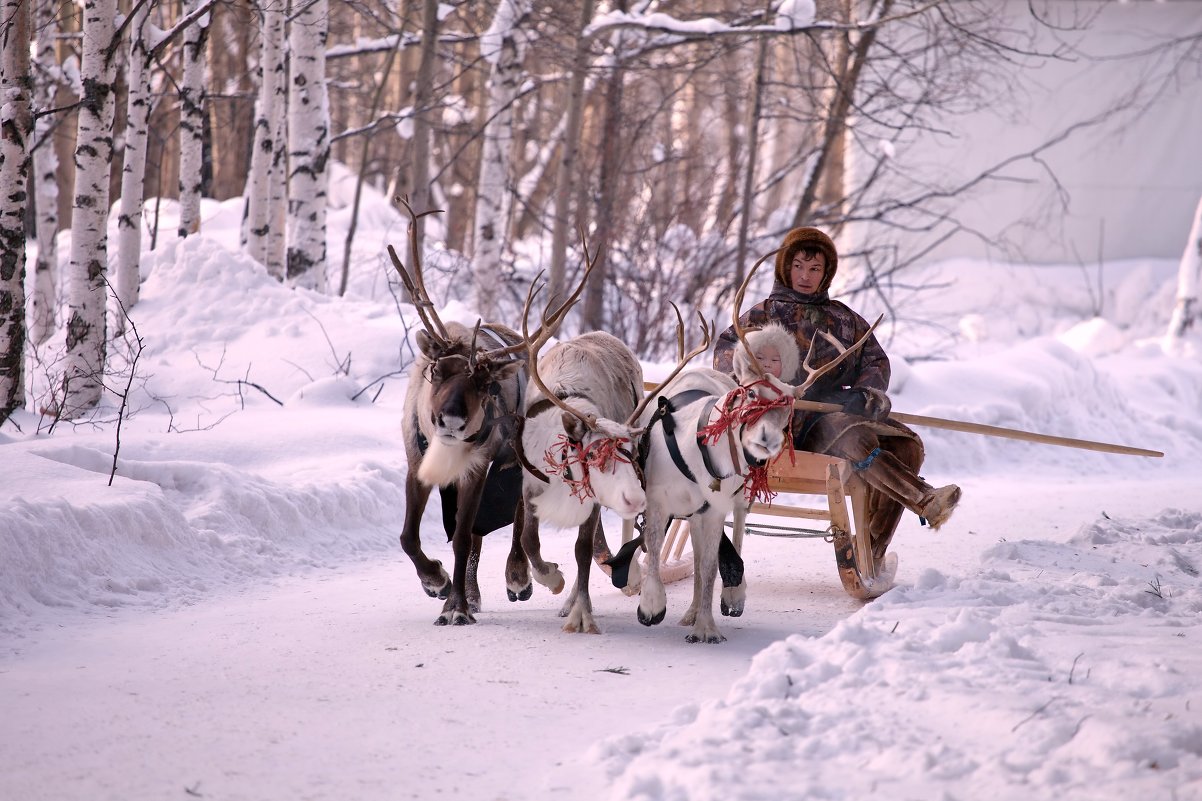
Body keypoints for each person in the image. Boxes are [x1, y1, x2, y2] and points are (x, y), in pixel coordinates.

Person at [714, 226, 961, 562]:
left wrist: (863, 394)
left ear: (826, 273)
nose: (805, 276)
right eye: (798, 266)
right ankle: (924, 500)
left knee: (905, 446)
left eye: (815, 269)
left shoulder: (843, 319)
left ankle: (873, 548)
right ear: (785, 267)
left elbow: (876, 360)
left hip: (826, 419)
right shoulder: (762, 314)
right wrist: (757, 381)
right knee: (856, 438)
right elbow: (727, 352)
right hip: (773, 424)